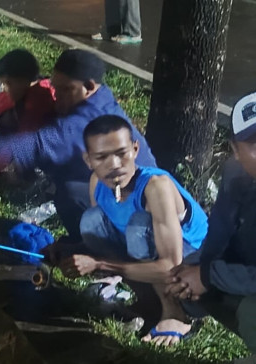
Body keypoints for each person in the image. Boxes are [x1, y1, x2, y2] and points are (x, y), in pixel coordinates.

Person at [0, 49, 156, 240]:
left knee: (70, 192)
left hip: (140, 210)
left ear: (89, 87)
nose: (56, 95)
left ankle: (100, 249)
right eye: (55, 87)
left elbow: (40, 143)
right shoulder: (101, 99)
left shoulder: (88, 121)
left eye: (65, 89)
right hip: (128, 192)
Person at [56, 115, 208, 346]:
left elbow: (171, 266)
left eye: (121, 153)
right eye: (102, 157)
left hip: (194, 269)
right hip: (153, 258)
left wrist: (98, 264)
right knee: (92, 221)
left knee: (138, 227)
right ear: (89, 160)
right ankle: (149, 301)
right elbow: (110, 238)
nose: (115, 165)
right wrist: (67, 252)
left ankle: (176, 313)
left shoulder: (156, 187)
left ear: (135, 150)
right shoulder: (98, 182)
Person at [165, 91, 256, 357]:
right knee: (183, 267)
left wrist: (208, 275)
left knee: (251, 311)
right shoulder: (235, 175)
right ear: (235, 150)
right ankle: (176, 316)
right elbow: (220, 233)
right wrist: (198, 269)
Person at [0, 49, 56, 139]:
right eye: (3, 84)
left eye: (8, 83)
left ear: (24, 80)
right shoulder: (13, 94)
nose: (4, 89)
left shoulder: (41, 99)